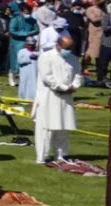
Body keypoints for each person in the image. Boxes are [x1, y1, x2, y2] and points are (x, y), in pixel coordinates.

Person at [34, 30, 83, 163]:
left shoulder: (73, 58)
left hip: (66, 98)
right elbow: (47, 77)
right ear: (58, 45)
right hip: (49, 97)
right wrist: (63, 88)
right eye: (66, 48)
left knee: (64, 127)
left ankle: (60, 155)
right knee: (47, 128)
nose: (68, 51)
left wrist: (74, 86)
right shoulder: (46, 57)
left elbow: (78, 75)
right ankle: (42, 156)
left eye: (70, 48)